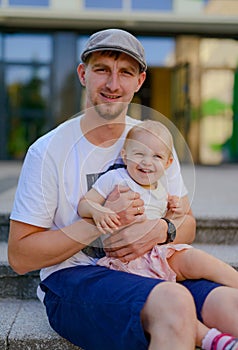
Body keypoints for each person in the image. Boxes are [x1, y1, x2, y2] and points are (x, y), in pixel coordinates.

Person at [7, 28, 238, 350]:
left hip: (153, 267)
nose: (113, 84)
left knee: (232, 306)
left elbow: (188, 224)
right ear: (82, 73)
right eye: (102, 69)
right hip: (75, 278)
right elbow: (20, 257)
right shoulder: (48, 151)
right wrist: (97, 222)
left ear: (140, 81)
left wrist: (162, 229)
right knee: (173, 302)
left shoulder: (150, 141)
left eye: (125, 73)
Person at [78, 120, 238, 289]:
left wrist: (171, 213)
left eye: (157, 156)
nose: (147, 161)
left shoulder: (161, 190)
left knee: (196, 259)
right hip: (123, 260)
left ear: (168, 163)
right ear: (125, 155)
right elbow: (85, 204)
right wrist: (100, 212)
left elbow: (161, 226)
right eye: (139, 154)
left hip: (155, 254)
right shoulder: (116, 178)